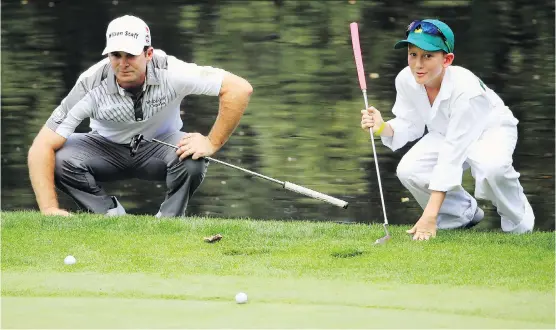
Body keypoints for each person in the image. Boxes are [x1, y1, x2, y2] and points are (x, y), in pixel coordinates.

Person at [28, 15, 253, 217]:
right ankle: (109, 217)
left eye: (131, 55)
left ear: (148, 53)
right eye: (116, 55)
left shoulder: (172, 71)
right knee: (57, 158)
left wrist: (212, 142)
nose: (123, 64)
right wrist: (49, 209)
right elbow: (40, 147)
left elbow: (239, 89)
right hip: (105, 148)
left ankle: (169, 221)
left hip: (161, 148)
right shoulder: (90, 84)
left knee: (193, 158)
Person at [360, 19, 534, 240]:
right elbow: (409, 122)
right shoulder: (406, 79)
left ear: (447, 59)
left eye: (428, 56)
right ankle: (461, 215)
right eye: (413, 54)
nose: (418, 64)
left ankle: (521, 228)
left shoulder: (466, 91)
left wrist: (428, 215)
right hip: (445, 132)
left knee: (492, 169)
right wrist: (382, 126)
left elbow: (452, 153)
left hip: (490, 130)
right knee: (409, 170)